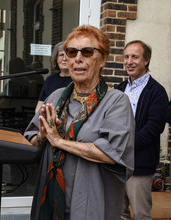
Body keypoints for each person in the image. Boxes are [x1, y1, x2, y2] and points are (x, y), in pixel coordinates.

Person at [24, 25, 135, 220]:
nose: (78, 59)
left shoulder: (116, 101)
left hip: (91, 202)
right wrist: (42, 136)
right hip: (50, 199)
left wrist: (58, 141)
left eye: (87, 52)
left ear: (102, 59)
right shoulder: (56, 97)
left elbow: (113, 153)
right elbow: (30, 142)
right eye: (71, 52)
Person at [116, 40, 168, 220]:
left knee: (140, 215)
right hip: (116, 163)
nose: (129, 61)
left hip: (140, 165)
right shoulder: (119, 89)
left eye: (135, 57)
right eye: (126, 57)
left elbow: (153, 129)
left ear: (146, 60)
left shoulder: (157, 92)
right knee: (118, 213)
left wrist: (124, 145)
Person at [35, 41, 72, 113]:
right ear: (56, 59)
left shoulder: (77, 80)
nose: (64, 59)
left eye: (67, 55)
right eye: (61, 55)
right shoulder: (50, 80)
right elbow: (39, 107)